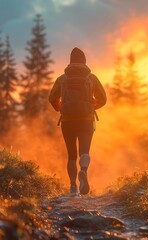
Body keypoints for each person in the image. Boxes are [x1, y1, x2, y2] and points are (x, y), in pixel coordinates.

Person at [49, 47, 107, 195]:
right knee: (84, 152)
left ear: (70, 62)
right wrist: (92, 105)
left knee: (71, 155)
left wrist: (60, 108)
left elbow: (52, 98)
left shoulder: (62, 79)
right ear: (84, 61)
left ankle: (73, 187)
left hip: (67, 121)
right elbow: (103, 99)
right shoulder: (91, 78)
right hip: (86, 120)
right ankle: (84, 171)